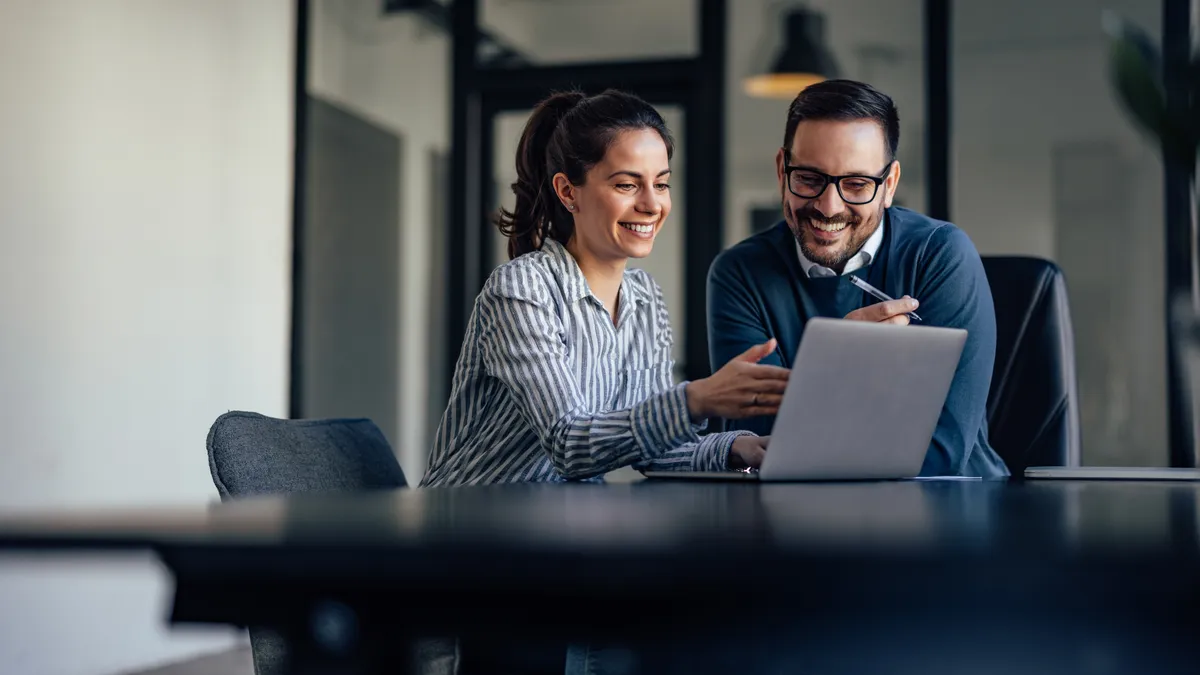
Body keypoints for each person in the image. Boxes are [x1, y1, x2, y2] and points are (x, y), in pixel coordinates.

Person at [421, 89, 788, 488]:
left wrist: (740, 448)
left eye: (661, 184)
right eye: (627, 185)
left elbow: (653, 446)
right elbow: (569, 444)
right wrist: (697, 399)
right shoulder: (521, 289)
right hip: (467, 527)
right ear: (567, 192)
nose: (652, 204)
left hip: (561, 526)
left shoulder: (645, 297)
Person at [707, 79, 1009, 478]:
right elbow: (763, 447)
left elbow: (942, 449)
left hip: (951, 510)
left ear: (889, 185)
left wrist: (816, 402)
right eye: (809, 178)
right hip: (798, 520)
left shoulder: (941, 256)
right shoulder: (739, 274)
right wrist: (840, 365)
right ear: (783, 170)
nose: (828, 206)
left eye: (856, 184)